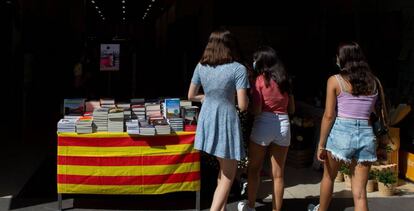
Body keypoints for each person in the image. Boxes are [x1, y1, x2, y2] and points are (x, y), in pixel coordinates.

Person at [308, 42, 379, 211]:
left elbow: (329, 115)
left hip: (341, 133)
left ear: (344, 59)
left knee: (328, 178)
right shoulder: (374, 82)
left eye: (338, 56)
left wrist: (321, 144)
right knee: (360, 192)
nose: (336, 59)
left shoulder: (335, 81)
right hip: (366, 134)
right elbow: (371, 114)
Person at [187, 29, 250, 211]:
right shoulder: (238, 69)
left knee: (222, 173)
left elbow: (191, 95)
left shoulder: (201, 66)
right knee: (229, 175)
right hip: (226, 121)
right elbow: (243, 104)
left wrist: (206, 98)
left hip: (207, 120)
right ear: (230, 46)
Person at [237, 46, 294, 211]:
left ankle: (251, 205)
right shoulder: (285, 80)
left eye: (255, 59)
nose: (253, 62)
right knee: (278, 174)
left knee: (254, 170)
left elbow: (257, 109)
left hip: (263, 124)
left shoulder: (259, 81)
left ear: (261, 62)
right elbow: (292, 109)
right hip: (283, 124)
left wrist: (247, 107)